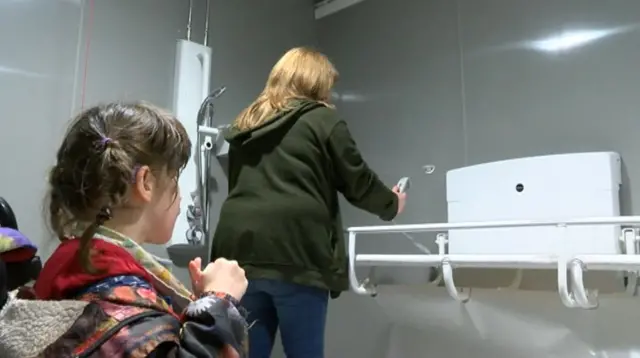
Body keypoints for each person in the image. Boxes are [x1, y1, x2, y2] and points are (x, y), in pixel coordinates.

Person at [0, 103, 249, 358]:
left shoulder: (69, 264)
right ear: (146, 183)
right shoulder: (118, 302)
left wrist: (194, 311)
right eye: (174, 176)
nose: (181, 196)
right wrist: (218, 303)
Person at [210, 47, 407, 358]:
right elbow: (358, 181)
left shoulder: (244, 125)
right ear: (314, 82)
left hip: (239, 255)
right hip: (298, 251)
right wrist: (392, 204)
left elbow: (241, 185)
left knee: (248, 354)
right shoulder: (323, 120)